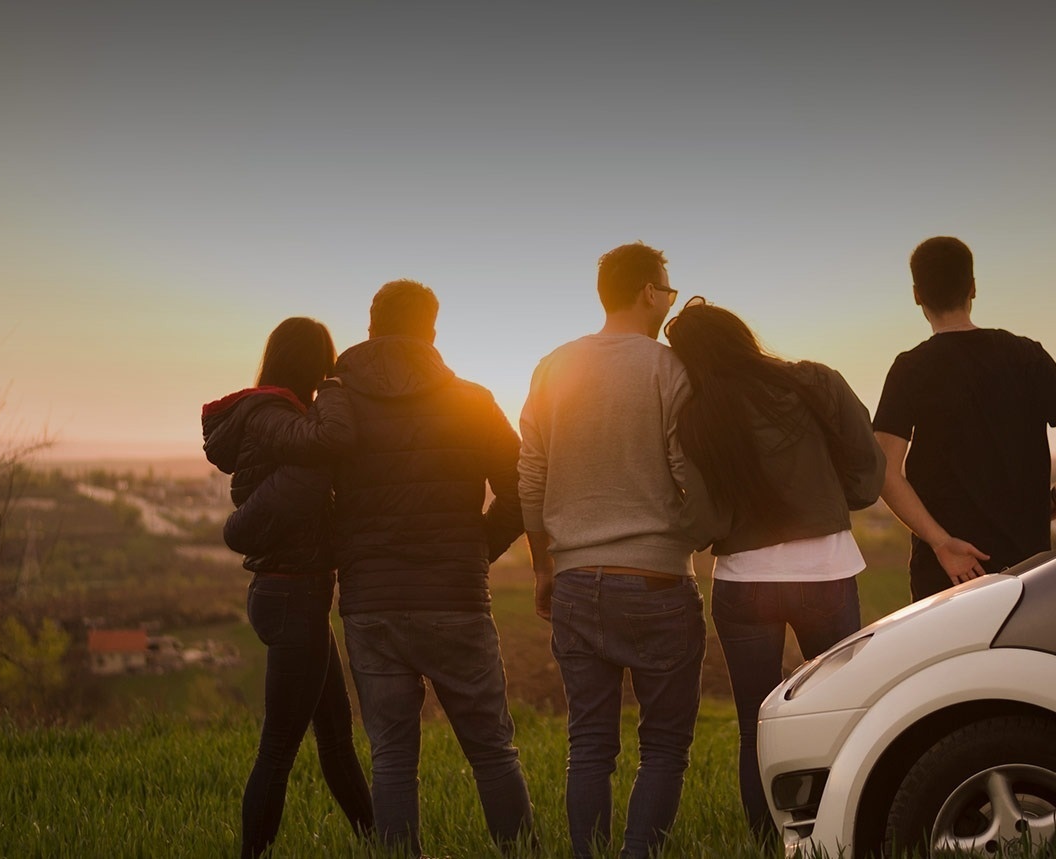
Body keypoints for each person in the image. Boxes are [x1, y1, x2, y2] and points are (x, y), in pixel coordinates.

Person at [662, 297, 884, 843]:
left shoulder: (698, 418)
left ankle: (769, 844)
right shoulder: (814, 382)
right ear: (739, 334)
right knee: (841, 715)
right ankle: (838, 835)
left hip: (743, 583)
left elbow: (706, 519)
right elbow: (867, 469)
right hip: (825, 573)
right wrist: (836, 500)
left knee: (753, 728)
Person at [329, 280, 535, 855]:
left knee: (391, 757)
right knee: (492, 750)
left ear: (371, 327)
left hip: (371, 603)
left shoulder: (338, 399)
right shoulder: (471, 399)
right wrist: (477, 548)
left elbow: (313, 497)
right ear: (433, 330)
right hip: (455, 598)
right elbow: (523, 487)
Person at [519, 242, 711, 859]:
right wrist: (688, 534)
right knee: (662, 747)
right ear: (648, 292)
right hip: (657, 583)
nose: (671, 300)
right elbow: (687, 467)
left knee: (589, 746)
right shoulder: (668, 367)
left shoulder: (554, 366)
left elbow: (531, 475)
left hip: (575, 580)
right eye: (669, 289)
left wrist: (543, 568)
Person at [200, 317, 373, 858]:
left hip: (300, 596)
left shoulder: (277, 412)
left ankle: (383, 845)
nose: (328, 375)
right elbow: (334, 439)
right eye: (324, 364)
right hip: (291, 596)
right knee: (278, 749)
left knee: (338, 740)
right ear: (310, 363)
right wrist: (339, 389)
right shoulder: (272, 413)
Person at [874, 236, 1056, 601]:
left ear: (917, 294)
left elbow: (884, 472)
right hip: (1029, 571)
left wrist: (942, 543)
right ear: (973, 288)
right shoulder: (1026, 355)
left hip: (948, 574)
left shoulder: (909, 369)